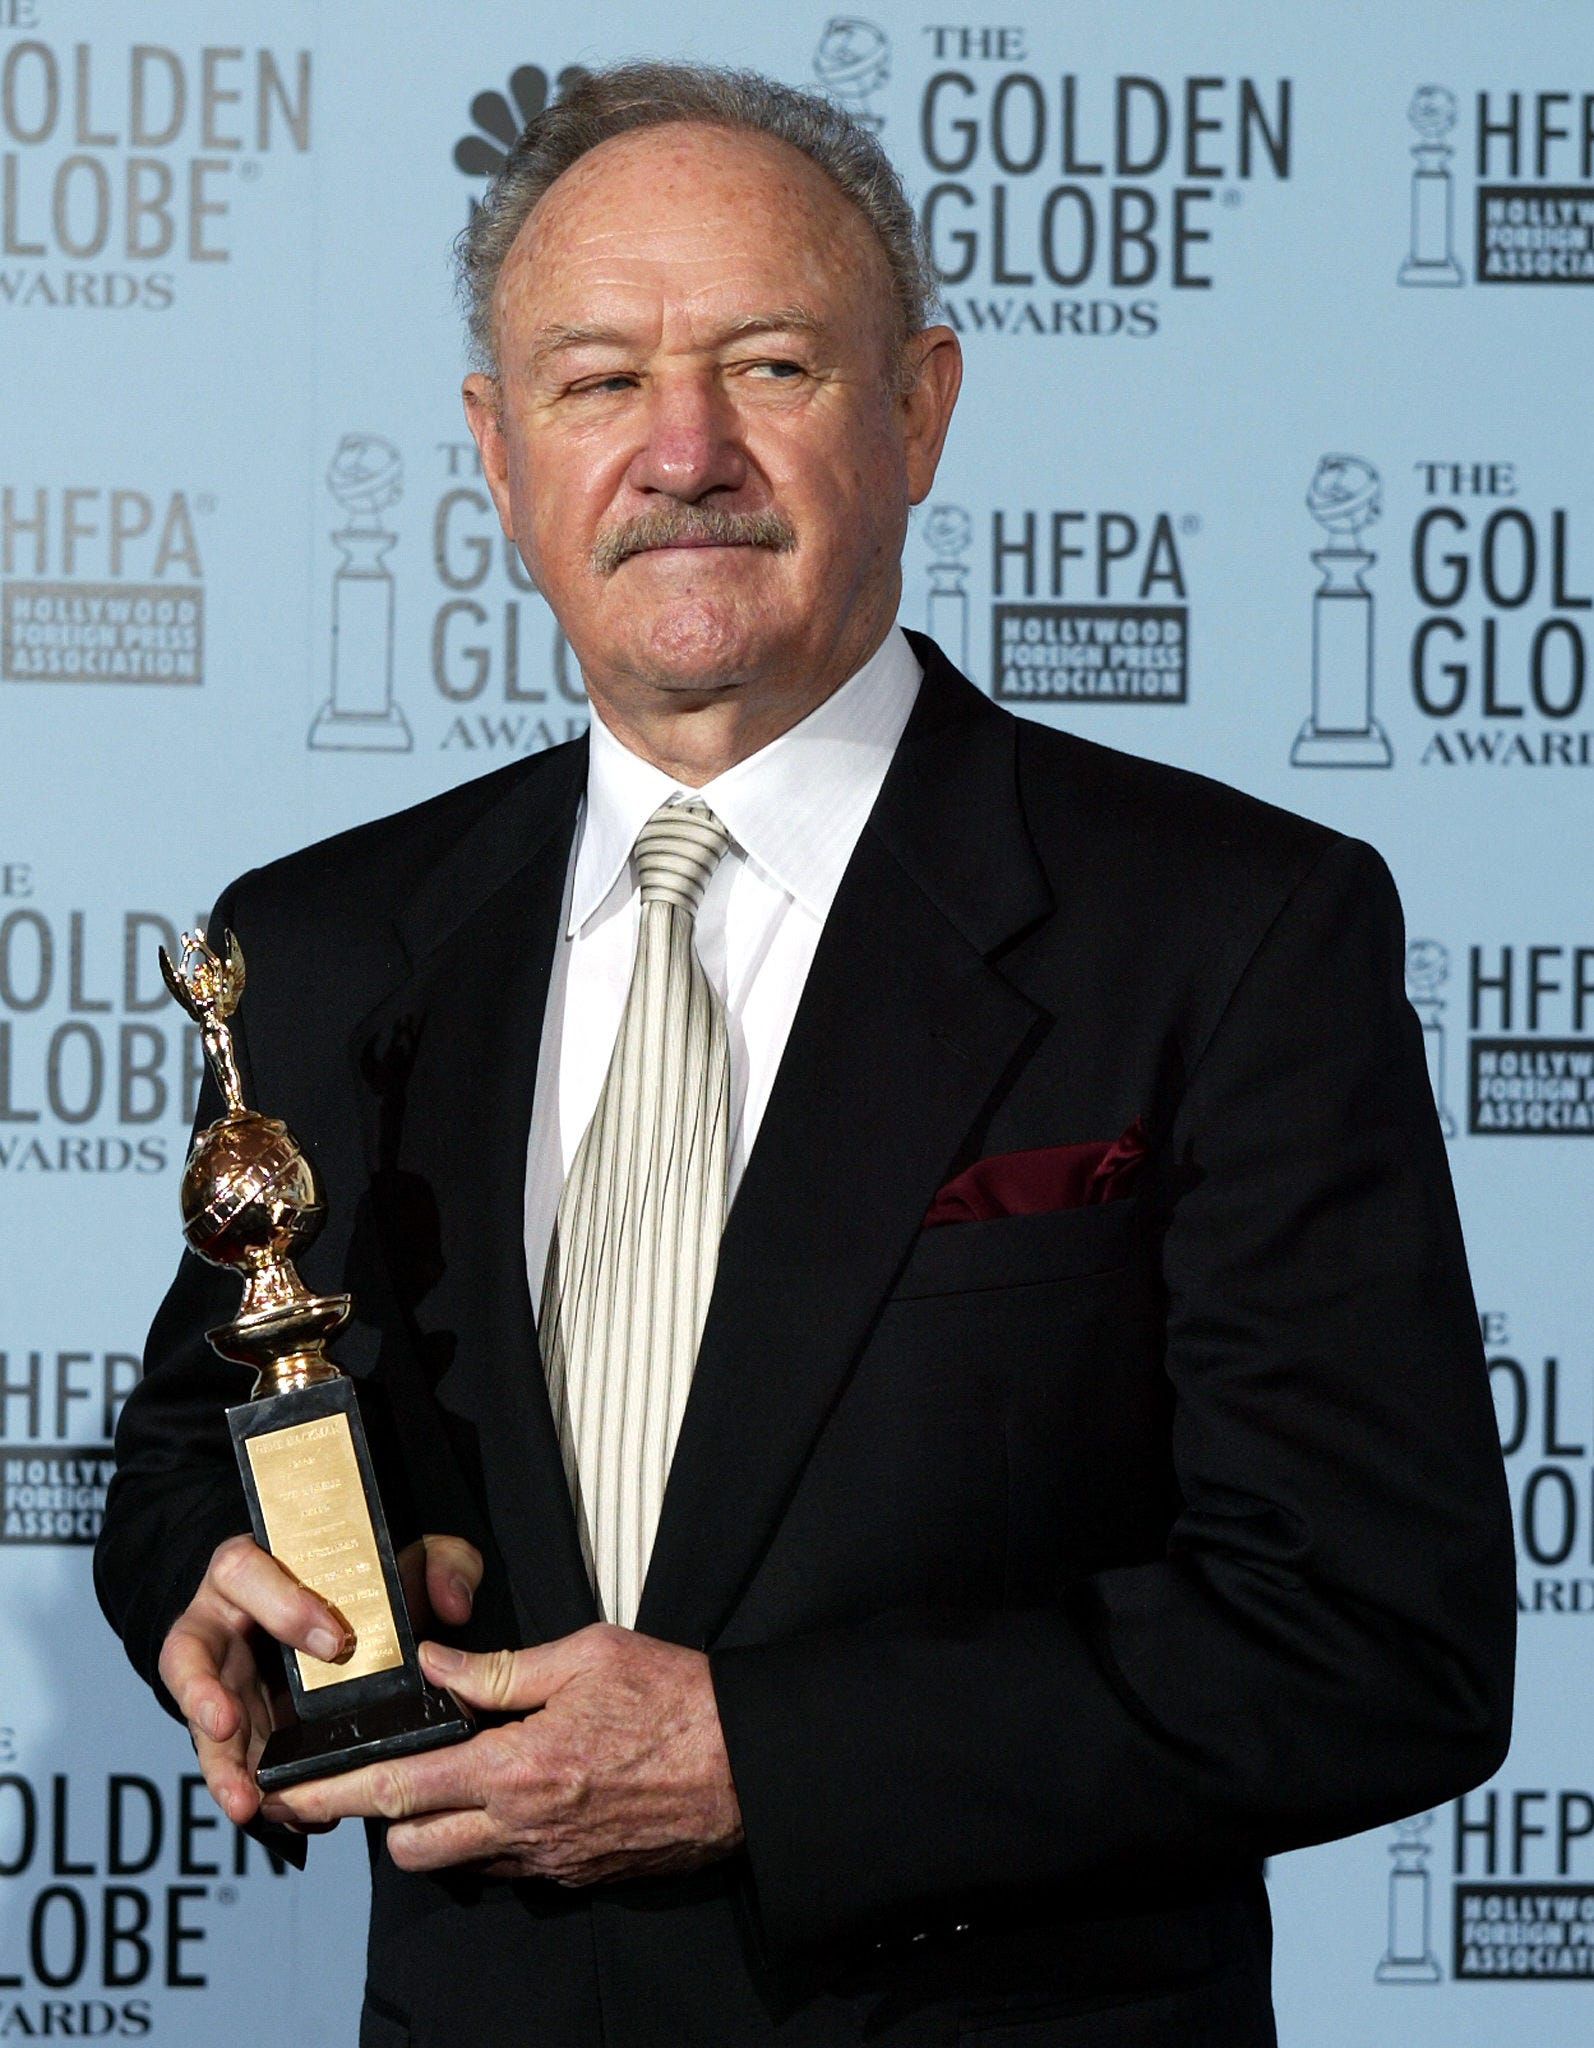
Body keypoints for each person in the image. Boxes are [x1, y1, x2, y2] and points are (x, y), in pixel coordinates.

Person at [96, 60, 1514, 2048]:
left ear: (920, 409)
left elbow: (1377, 1639)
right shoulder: (328, 942)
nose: (682, 452)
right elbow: (191, 1436)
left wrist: (758, 1752)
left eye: (767, 365)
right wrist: (216, 1582)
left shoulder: (1226, 928)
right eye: (595, 383)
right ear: (498, 456)